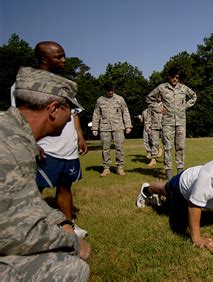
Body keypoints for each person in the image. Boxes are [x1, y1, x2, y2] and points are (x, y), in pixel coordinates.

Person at [1, 67, 90, 280]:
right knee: (72, 269)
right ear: (53, 109)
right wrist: (73, 243)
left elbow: (25, 200)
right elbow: (15, 234)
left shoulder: (13, 133)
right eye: (69, 109)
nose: (70, 118)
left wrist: (61, 222)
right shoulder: (12, 149)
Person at [10, 41, 89, 237]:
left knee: (65, 187)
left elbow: (73, 113)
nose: (64, 60)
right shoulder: (23, 86)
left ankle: (68, 224)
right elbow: (20, 117)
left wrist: (79, 136)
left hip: (67, 148)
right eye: (59, 56)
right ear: (44, 59)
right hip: (46, 148)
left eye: (64, 55)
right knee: (33, 189)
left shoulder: (63, 85)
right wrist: (33, 144)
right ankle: (27, 227)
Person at [135, 138, 213, 250]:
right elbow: (194, 205)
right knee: (166, 191)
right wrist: (196, 238)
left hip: (199, 181)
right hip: (183, 184)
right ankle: (146, 190)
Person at [146, 68, 197, 179]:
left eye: (177, 77)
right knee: (167, 148)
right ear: (169, 76)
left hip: (181, 122)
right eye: (173, 77)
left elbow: (194, 96)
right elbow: (149, 98)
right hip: (167, 123)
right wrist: (157, 108)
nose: (175, 79)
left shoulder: (183, 88)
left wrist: (185, 106)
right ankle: (168, 174)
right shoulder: (162, 88)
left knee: (180, 147)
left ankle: (180, 174)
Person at [91, 82, 133, 176]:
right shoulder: (100, 100)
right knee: (105, 148)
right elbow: (96, 114)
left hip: (118, 127)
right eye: (108, 90)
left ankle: (120, 167)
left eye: (112, 90)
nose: (111, 92)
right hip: (104, 127)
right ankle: (106, 168)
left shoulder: (120, 99)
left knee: (119, 148)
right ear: (105, 90)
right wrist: (95, 127)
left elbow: (125, 112)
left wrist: (128, 125)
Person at [145, 100, 164, 167]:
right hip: (154, 126)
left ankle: (167, 160)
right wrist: (147, 126)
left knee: (166, 142)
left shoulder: (166, 103)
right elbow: (148, 116)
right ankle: (153, 160)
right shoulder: (151, 105)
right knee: (154, 143)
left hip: (165, 126)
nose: (158, 97)